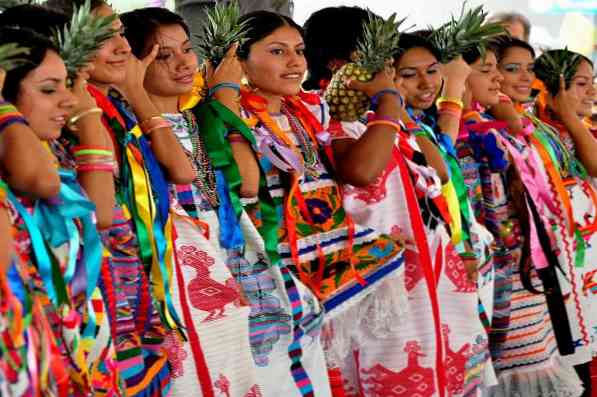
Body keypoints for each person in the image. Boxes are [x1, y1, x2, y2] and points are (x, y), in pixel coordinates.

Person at [120, 7, 267, 396]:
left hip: (229, 256)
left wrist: (222, 101)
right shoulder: (131, 131)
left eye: (187, 49)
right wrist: (137, 95)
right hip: (174, 275)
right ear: (133, 64)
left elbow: (248, 184)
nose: (184, 63)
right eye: (164, 56)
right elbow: (180, 175)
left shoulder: (203, 119)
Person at [0, 25, 118, 395]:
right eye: (50, 90)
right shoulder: (25, 168)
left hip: (72, 342)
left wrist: (88, 120)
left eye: (67, 85)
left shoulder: (56, 153)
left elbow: (101, 216)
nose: (69, 100)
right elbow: (42, 181)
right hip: (28, 354)